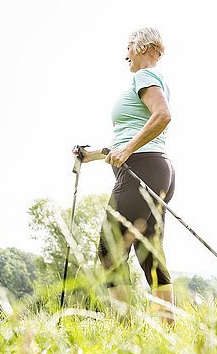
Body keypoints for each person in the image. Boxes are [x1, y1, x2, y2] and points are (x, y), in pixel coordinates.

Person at [75, 27, 175, 322]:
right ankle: (167, 329)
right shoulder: (150, 79)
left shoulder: (143, 76)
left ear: (141, 46)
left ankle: (126, 330)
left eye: (128, 47)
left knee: (109, 250)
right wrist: (93, 154)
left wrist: (128, 148)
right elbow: (133, 134)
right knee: (149, 252)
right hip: (155, 166)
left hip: (142, 167)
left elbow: (163, 115)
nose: (125, 54)